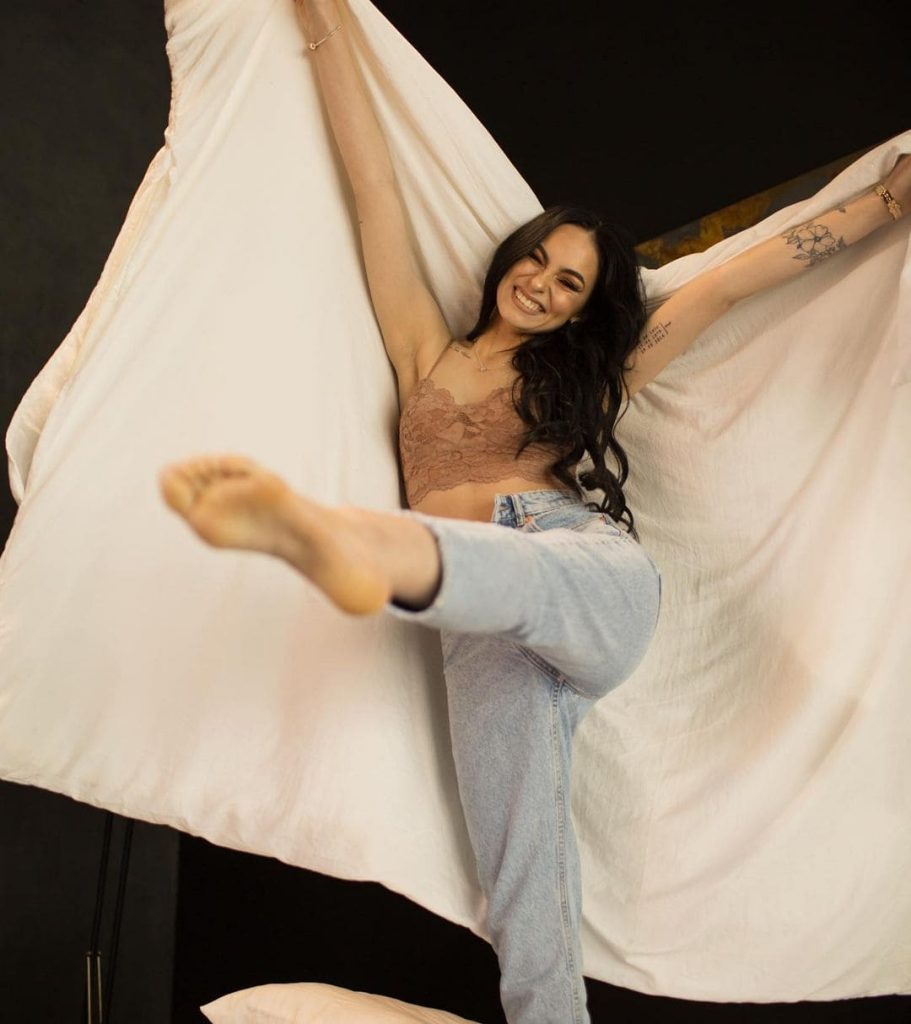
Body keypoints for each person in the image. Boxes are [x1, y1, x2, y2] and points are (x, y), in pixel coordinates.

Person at [158, 1, 910, 1020]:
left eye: (568, 285)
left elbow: (728, 287)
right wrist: (322, 14)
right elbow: (374, 184)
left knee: (536, 568)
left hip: (573, 567)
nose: (542, 287)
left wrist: (885, 204)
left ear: (581, 311)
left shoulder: (592, 384)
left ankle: (355, 546)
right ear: (509, 257)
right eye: (536, 261)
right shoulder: (425, 351)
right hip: (481, 633)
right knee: (522, 876)